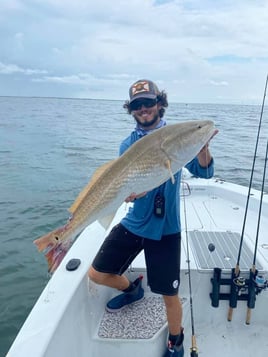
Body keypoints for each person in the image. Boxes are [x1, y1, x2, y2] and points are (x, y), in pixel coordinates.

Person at [88, 79, 216, 357]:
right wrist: (129, 194)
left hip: (167, 229)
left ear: (160, 103)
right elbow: (125, 183)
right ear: (131, 110)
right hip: (135, 223)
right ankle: (133, 290)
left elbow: (205, 173)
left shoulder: (177, 137)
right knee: (96, 274)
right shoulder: (128, 144)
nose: (144, 109)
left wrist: (203, 148)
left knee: (169, 295)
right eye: (137, 105)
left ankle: (175, 341)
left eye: (148, 102)